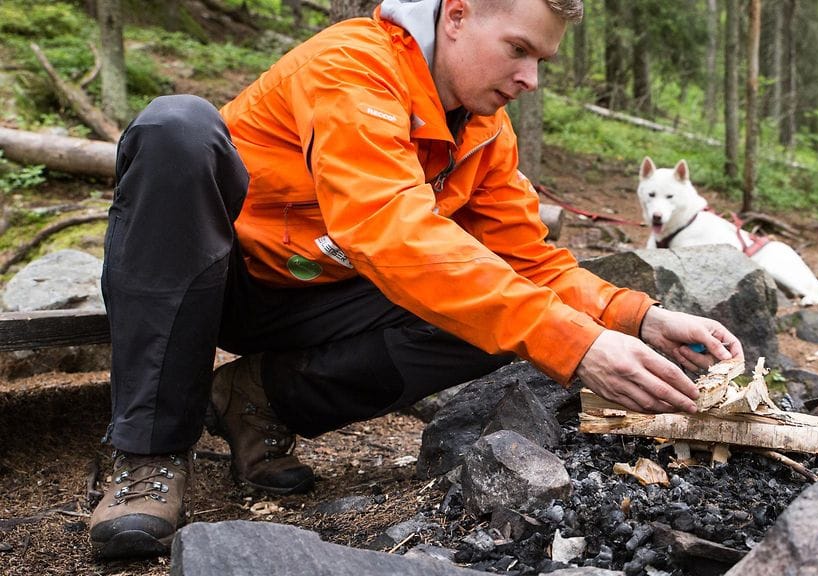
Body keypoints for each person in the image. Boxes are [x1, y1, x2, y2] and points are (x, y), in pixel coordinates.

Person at [88, 0, 744, 559]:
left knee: (503, 314)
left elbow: (528, 262)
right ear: (456, 16)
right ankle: (148, 452)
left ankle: (258, 399)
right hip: (221, 280)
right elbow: (387, 226)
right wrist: (575, 343)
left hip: (325, 293)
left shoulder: (485, 133)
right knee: (177, 128)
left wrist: (637, 317)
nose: (530, 78)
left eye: (541, 60)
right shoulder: (353, 64)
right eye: (518, 49)